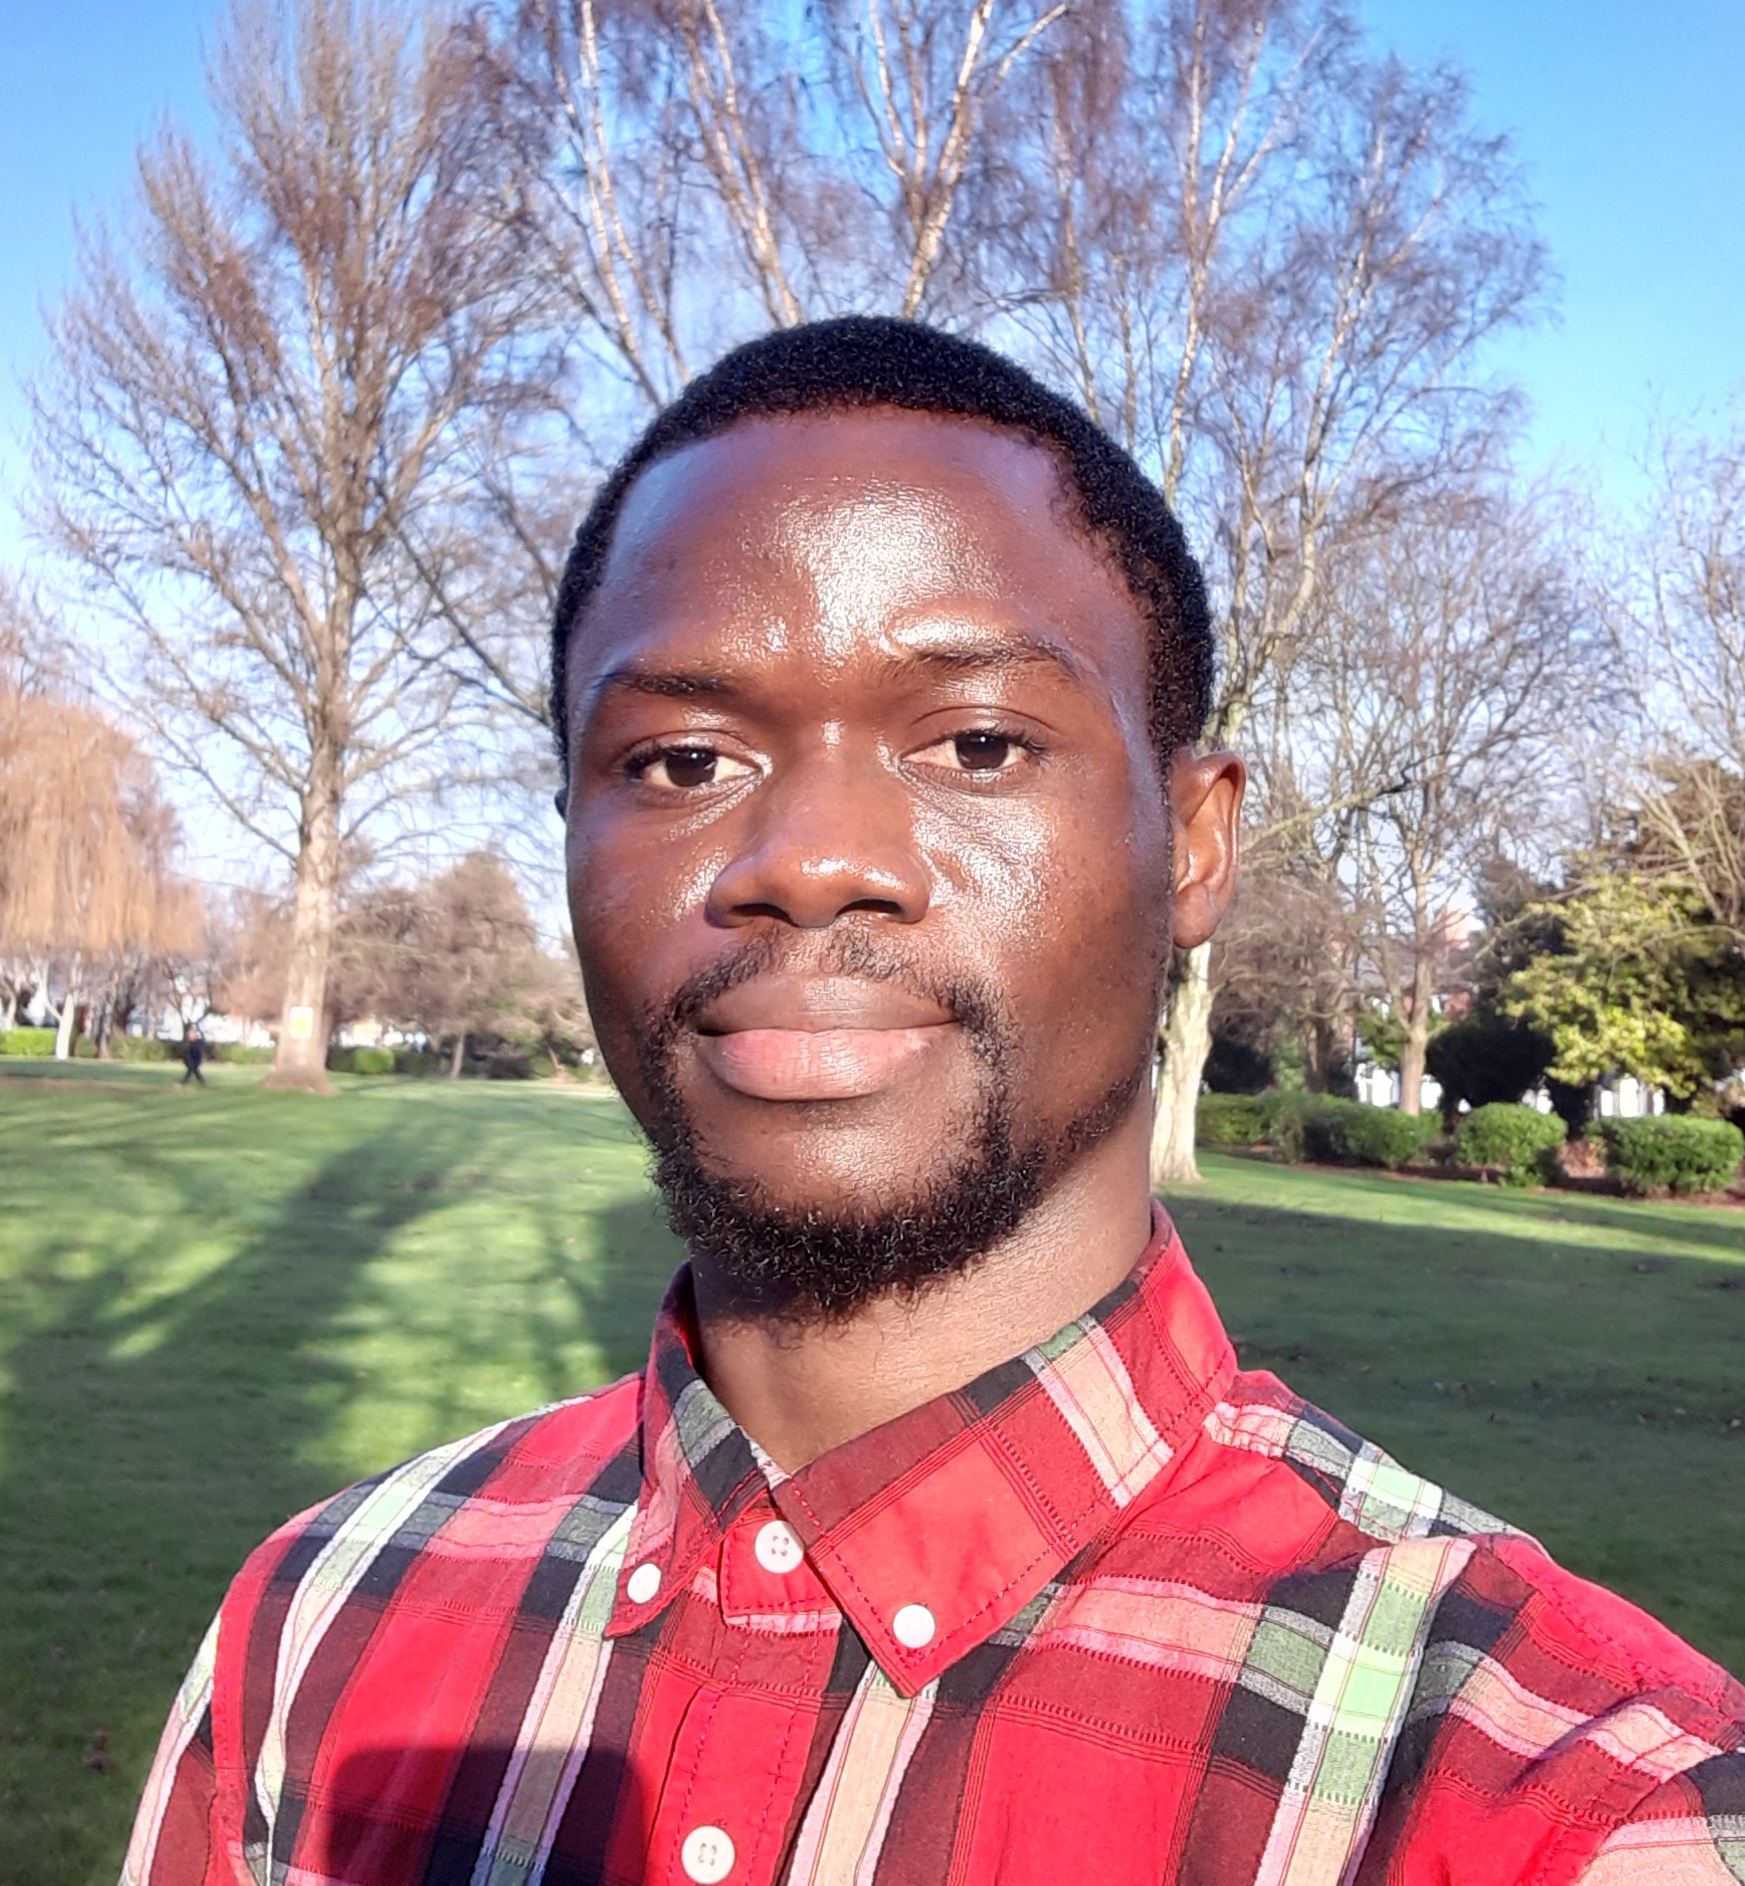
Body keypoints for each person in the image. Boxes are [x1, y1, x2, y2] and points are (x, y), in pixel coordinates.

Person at [122, 320, 1743, 1886]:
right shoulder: (319, 1633)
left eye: (974, 741)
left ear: (1192, 843)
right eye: (681, 761)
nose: (810, 857)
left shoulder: (1578, 1802)